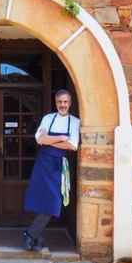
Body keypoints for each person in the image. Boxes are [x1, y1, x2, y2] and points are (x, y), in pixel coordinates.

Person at [22, 89, 80, 251]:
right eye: (60, 102)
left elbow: (72, 145)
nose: (62, 105)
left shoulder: (75, 122)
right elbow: (39, 139)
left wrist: (49, 141)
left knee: (55, 201)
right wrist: (61, 138)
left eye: (65, 102)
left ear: (70, 103)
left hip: (60, 166)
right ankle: (39, 237)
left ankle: (31, 234)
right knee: (42, 200)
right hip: (44, 163)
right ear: (56, 102)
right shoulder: (48, 118)